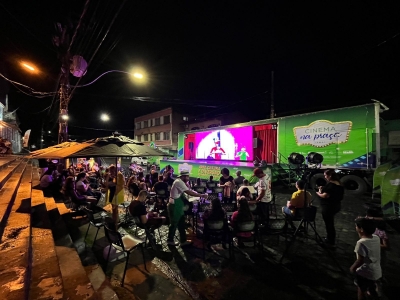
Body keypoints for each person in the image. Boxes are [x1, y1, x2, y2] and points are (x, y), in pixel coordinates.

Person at [167, 171, 208, 246]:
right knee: (174, 224)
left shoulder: (180, 182)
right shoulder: (179, 182)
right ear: (184, 176)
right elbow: (189, 192)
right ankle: (170, 240)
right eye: (187, 176)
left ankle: (183, 241)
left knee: (181, 223)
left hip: (178, 206)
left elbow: (189, 191)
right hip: (174, 206)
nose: (188, 178)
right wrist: (201, 195)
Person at [350, 217, 381, 299]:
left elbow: (360, 260)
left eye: (356, 226)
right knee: (371, 288)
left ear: (361, 229)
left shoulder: (361, 243)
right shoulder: (376, 238)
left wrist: (353, 268)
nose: (355, 227)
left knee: (361, 289)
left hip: (364, 272)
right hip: (376, 271)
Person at [316, 169, 344, 247]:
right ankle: (330, 238)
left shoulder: (331, 185)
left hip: (329, 207)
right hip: (336, 206)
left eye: (325, 175)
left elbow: (325, 195)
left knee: (329, 224)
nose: (325, 177)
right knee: (330, 223)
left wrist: (318, 193)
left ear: (330, 176)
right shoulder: (339, 184)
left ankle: (330, 241)